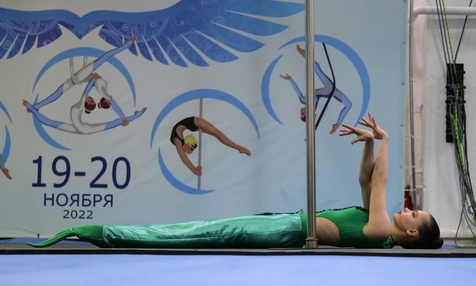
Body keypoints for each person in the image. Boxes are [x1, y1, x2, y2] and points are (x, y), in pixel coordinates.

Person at [29, 113, 442, 250]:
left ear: (411, 232)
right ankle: (108, 233)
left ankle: (104, 233)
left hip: (286, 230)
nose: (408, 209)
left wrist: (386, 140)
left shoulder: (380, 231)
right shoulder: (378, 227)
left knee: (202, 232)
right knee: (204, 230)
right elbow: (368, 180)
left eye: (415, 214)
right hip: (286, 223)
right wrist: (368, 144)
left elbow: (381, 181)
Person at [23, 37, 147, 134]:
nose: (91, 98)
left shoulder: (82, 104)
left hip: (79, 81)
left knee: (55, 103)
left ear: (87, 104)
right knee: (56, 98)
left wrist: (93, 80)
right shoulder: (100, 91)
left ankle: (35, 107)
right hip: (83, 122)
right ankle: (35, 107)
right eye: (93, 100)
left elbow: (87, 93)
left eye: (90, 100)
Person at [280, 45, 352, 134]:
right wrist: (311, 125)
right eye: (302, 113)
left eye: (301, 113)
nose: (300, 111)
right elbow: (313, 116)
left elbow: (297, 90)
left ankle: (337, 124)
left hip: (330, 91)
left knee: (348, 104)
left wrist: (290, 79)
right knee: (317, 70)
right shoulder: (311, 109)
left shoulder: (303, 100)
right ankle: (305, 55)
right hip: (329, 90)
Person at [170, 116, 252, 177]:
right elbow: (185, 159)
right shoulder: (181, 142)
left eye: (191, 149)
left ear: (187, 144)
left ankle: (240, 148)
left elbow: (184, 160)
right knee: (217, 135)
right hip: (192, 126)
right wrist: (195, 169)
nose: (190, 152)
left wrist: (195, 172)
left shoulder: (178, 142)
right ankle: (239, 148)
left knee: (218, 133)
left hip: (195, 121)